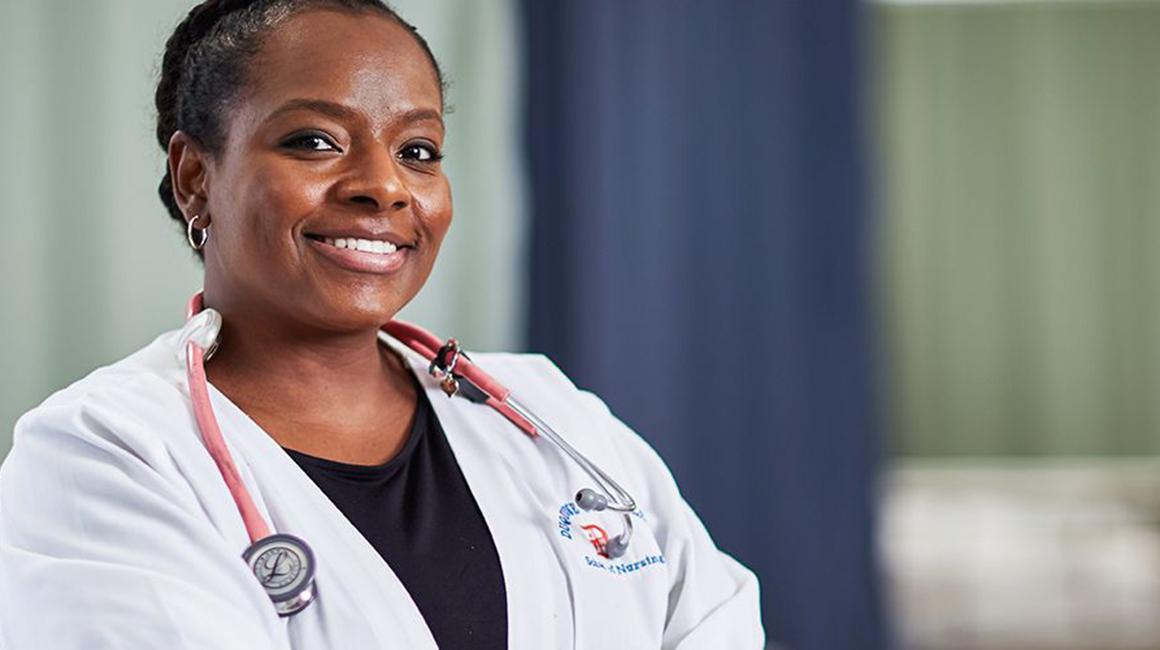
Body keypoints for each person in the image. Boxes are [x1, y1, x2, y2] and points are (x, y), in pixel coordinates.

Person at [0, 1, 764, 648]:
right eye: (315, 141)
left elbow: (717, 621)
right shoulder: (103, 450)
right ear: (196, 176)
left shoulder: (547, 412)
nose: (384, 186)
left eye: (418, 149)